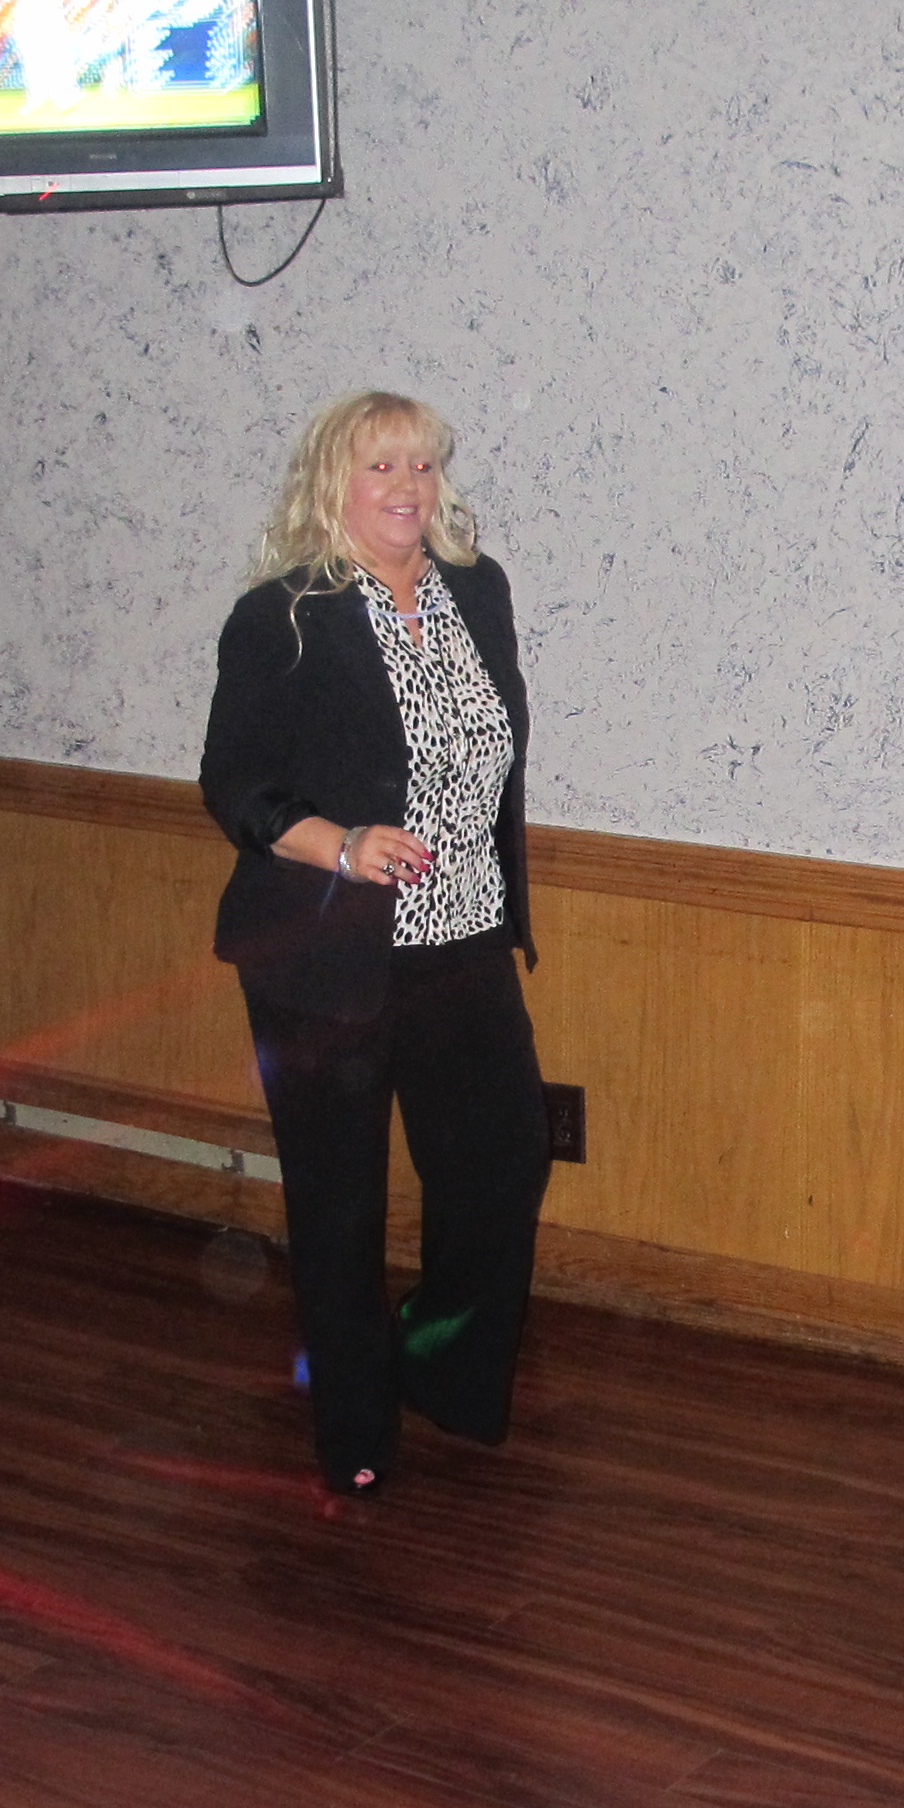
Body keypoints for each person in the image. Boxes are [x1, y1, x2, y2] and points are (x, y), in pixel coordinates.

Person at [199, 391, 547, 1499]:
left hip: (465, 939)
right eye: (382, 467)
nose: (408, 488)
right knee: (338, 1201)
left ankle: (442, 1369)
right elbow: (234, 784)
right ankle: (353, 1425)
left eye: (423, 466)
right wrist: (342, 846)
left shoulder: (477, 593)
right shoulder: (284, 617)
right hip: (324, 957)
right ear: (331, 484)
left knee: (501, 1169)